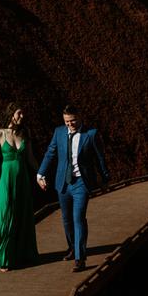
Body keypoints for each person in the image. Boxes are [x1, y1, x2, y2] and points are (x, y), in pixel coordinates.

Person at [37, 105, 111, 273]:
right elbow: (50, 153)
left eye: (72, 121)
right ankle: (72, 247)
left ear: (80, 117)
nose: (69, 124)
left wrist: (105, 179)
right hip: (63, 183)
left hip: (81, 184)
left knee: (78, 218)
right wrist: (40, 173)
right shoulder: (59, 132)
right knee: (66, 219)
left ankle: (80, 258)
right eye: (66, 121)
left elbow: (100, 159)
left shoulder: (91, 134)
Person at [0, 102, 40, 271]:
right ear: (11, 114)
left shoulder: (25, 133)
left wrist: (40, 174)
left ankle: (22, 255)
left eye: (22, 114)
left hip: (22, 181)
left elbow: (30, 158)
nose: (22, 116)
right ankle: (3, 258)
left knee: (21, 215)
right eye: (19, 113)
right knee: (5, 216)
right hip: (5, 181)